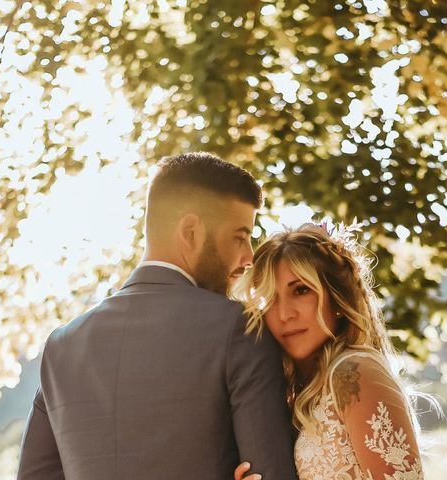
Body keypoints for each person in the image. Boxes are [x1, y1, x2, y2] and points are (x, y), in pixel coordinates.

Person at [17, 152, 298, 480]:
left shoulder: (62, 346)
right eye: (240, 236)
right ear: (191, 231)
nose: (249, 257)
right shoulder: (240, 328)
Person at [233, 222, 425, 480]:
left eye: (301, 290)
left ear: (336, 299)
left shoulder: (354, 373)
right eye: (270, 297)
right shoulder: (299, 394)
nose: (284, 314)